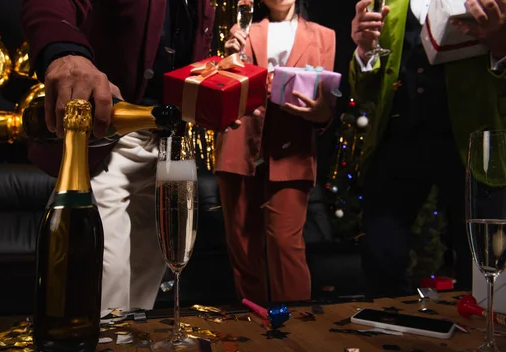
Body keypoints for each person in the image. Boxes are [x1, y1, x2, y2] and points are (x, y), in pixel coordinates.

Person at [20, 0, 216, 313]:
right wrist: (66, 55)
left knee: (144, 286)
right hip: (110, 135)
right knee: (101, 281)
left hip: (168, 142)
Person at [350, 0, 506, 297]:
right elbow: (364, 91)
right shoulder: (389, 6)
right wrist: (363, 50)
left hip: (470, 142)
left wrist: (500, 42)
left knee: (480, 261)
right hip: (399, 138)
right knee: (381, 252)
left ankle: (480, 336)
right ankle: (388, 334)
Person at [216, 0, 337, 305]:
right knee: (243, 248)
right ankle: (253, 325)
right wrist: (228, 59)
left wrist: (318, 110)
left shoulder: (324, 36)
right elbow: (221, 93)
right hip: (239, 146)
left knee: (286, 244)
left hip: (291, 150)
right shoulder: (241, 32)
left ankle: (298, 328)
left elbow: (325, 108)